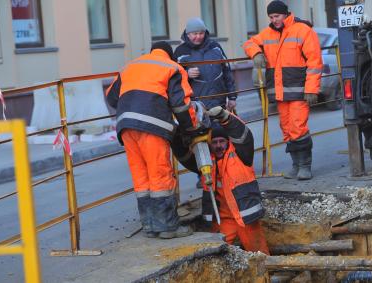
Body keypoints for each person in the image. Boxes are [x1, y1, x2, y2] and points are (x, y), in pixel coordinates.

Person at [105, 41, 198, 239]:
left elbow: (111, 97)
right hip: (152, 125)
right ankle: (167, 228)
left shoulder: (131, 66)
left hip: (126, 126)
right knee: (160, 174)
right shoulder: (173, 68)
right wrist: (190, 129)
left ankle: (149, 225)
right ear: (169, 55)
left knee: (141, 176)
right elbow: (181, 105)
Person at [171, 106, 270, 255]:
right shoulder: (206, 161)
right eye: (214, 142)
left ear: (228, 141)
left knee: (259, 253)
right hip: (223, 218)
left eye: (221, 141)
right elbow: (184, 156)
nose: (218, 146)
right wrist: (175, 136)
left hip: (245, 217)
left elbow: (244, 134)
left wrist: (226, 117)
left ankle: (265, 274)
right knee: (219, 254)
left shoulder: (241, 154)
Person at [243, 0, 322, 180]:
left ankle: (304, 166)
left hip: (299, 90)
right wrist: (256, 53)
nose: (274, 20)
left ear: (286, 14)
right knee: (286, 129)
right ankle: (296, 165)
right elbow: (248, 43)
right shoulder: (268, 33)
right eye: (271, 17)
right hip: (280, 92)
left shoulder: (303, 30)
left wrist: (311, 89)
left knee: (298, 127)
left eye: (276, 16)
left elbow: (315, 63)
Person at [174, 17, 237, 188]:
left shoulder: (215, 47)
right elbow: (173, 80)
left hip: (218, 102)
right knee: (199, 142)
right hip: (196, 108)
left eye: (201, 33)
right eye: (194, 34)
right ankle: (203, 175)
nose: (198, 37)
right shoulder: (180, 52)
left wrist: (232, 97)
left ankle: (225, 172)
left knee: (220, 139)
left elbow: (227, 72)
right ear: (187, 34)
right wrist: (186, 73)